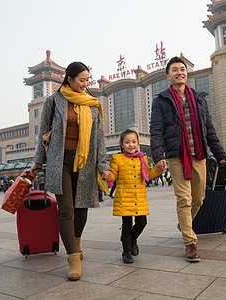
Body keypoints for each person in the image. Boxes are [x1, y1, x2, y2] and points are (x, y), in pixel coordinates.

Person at [30, 61, 112, 281]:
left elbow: (98, 138)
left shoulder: (92, 104)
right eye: (81, 80)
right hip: (60, 161)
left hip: (85, 162)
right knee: (66, 209)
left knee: (81, 206)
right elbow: (43, 132)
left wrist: (103, 165)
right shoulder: (54, 101)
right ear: (69, 79)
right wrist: (38, 161)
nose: (85, 84)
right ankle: (73, 258)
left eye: (87, 80)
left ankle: (75, 242)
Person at [150, 56, 226, 262]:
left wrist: (220, 155)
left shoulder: (199, 98)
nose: (179, 73)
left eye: (182, 69)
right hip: (177, 156)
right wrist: (159, 155)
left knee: (199, 198)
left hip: (199, 154)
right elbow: (156, 130)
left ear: (187, 73)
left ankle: (184, 224)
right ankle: (190, 243)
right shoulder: (161, 100)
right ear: (168, 75)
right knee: (184, 199)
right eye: (174, 70)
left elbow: (209, 129)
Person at [109, 129, 163, 263]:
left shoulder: (143, 158)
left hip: (139, 197)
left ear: (138, 143)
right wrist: (108, 175)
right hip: (124, 198)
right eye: (127, 142)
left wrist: (157, 170)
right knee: (126, 225)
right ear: (122, 144)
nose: (131, 145)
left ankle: (132, 239)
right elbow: (113, 175)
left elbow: (148, 175)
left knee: (142, 222)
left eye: (133, 142)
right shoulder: (117, 158)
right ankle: (126, 251)